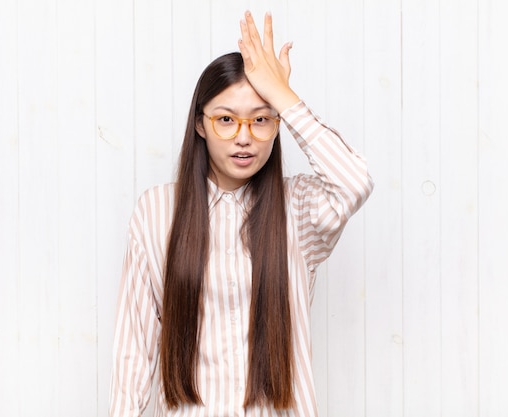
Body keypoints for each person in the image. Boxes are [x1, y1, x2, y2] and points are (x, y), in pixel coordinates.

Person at [109, 11, 373, 417]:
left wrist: (283, 95)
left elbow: (354, 182)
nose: (245, 137)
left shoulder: (298, 209)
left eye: (261, 119)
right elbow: (133, 352)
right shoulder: (157, 211)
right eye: (226, 119)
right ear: (200, 124)